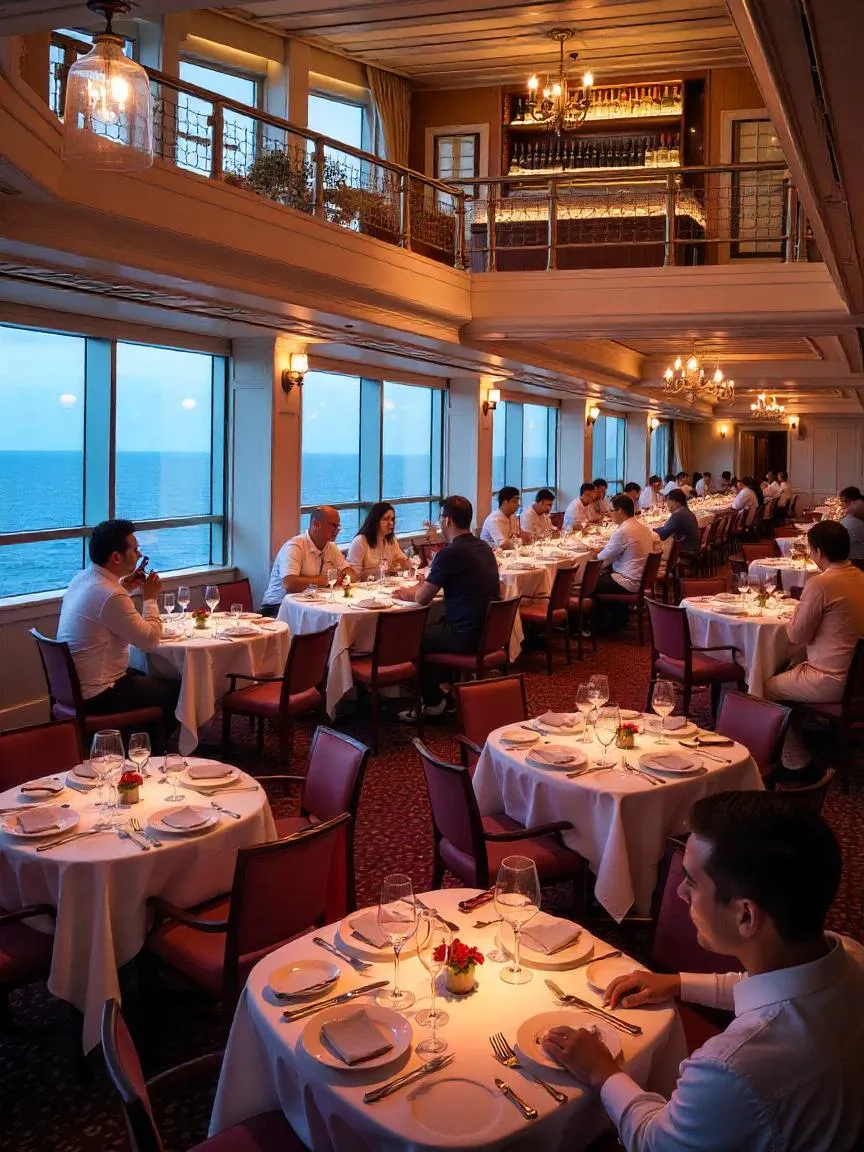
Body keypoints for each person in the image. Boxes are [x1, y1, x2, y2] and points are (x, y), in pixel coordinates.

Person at [542, 790, 864, 1152]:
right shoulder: (848, 953)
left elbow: (653, 1141)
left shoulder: (732, 1068)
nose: (679, 891)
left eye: (692, 882)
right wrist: (677, 983)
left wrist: (601, 1072)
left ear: (745, 916)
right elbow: (765, 987)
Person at [56, 519, 178, 742]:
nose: (140, 554)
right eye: (134, 549)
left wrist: (126, 586)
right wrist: (150, 598)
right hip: (100, 695)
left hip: (73, 689)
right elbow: (151, 641)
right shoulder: (111, 594)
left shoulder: (82, 580)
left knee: (149, 677)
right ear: (115, 557)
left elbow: (104, 609)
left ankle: (135, 740)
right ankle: (147, 749)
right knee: (180, 691)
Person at [764, 520, 864, 781]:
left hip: (831, 679)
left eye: (810, 550)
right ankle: (808, 733)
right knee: (791, 667)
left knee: (765, 687)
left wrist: (797, 610)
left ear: (818, 551)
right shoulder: (860, 576)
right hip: (859, 677)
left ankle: (796, 761)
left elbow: (796, 635)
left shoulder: (821, 583)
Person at [394, 496, 500, 716]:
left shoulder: (450, 553)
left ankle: (433, 701)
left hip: (465, 635)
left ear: (448, 520)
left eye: (441, 517)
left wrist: (407, 593)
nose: (440, 522)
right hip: (489, 632)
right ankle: (443, 689)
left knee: (412, 637)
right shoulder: (483, 547)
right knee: (432, 623)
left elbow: (422, 599)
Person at [261, 506, 355, 614]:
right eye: (333, 526)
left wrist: (344, 577)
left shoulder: (330, 546)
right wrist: (326, 580)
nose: (337, 530)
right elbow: (289, 583)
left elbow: (351, 573)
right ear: (316, 524)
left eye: (338, 526)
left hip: (309, 604)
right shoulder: (295, 547)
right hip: (278, 607)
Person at [596, 493, 660, 595]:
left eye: (612, 510)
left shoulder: (624, 530)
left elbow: (601, 559)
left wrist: (594, 554)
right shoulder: (643, 527)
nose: (610, 514)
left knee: (590, 584)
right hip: (642, 579)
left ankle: (611, 611)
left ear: (620, 511)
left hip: (629, 581)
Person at [346, 502, 410, 578]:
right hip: (365, 587)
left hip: (385, 585)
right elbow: (353, 576)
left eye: (392, 519)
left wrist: (411, 563)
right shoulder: (360, 541)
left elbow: (403, 560)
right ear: (375, 520)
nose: (391, 523)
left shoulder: (391, 540)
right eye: (386, 519)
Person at [654, 488, 700, 562]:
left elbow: (663, 534)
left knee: (656, 551)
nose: (667, 504)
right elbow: (666, 529)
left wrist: (651, 531)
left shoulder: (678, 515)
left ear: (677, 502)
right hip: (694, 547)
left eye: (669, 501)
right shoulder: (686, 511)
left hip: (687, 550)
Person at [480, 485, 522, 550]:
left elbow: (516, 536)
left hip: (507, 553)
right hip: (490, 554)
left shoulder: (513, 516)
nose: (518, 505)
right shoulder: (494, 519)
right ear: (505, 502)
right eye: (514, 501)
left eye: (518, 501)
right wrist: (521, 541)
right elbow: (503, 544)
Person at [838, 486, 864, 560]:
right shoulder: (859, 506)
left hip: (857, 558)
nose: (843, 504)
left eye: (844, 501)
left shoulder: (857, 509)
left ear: (850, 500)